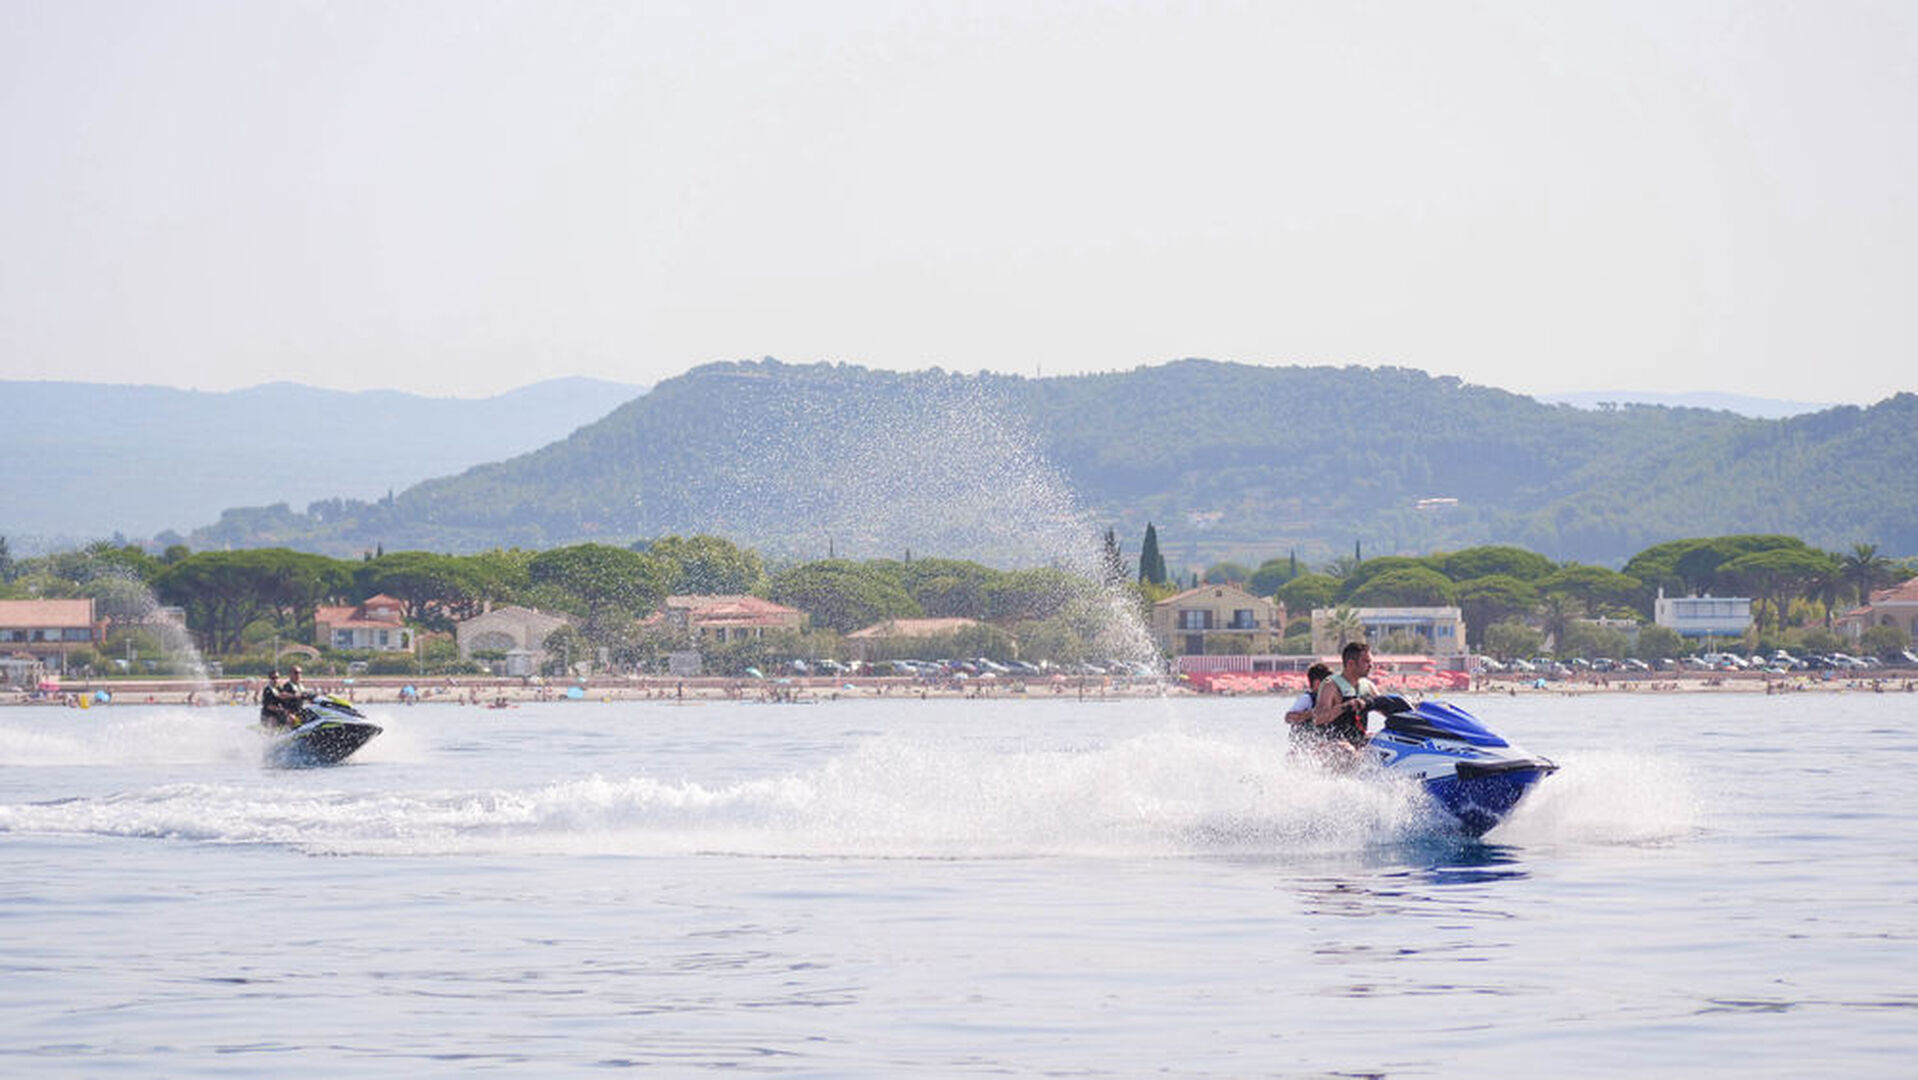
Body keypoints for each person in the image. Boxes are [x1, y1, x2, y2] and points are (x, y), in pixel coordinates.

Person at [1309, 641, 1379, 759]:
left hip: (1357, 740)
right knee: (1348, 751)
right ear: (1351, 664)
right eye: (1366, 662)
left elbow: (1385, 705)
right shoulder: (1331, 685)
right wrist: (1345, 706)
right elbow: (1318, 718)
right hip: (1331, 743)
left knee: (1386, 741)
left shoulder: (1368, 686)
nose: (1371, 665)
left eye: (1371, 661)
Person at [1284, 663, 1333, 735]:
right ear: (1318, 683)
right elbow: (1288, 718)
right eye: (1330, 683)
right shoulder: (1306, 699)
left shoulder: (1330, 698)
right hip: (1306, 741)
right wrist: (1313, 713)